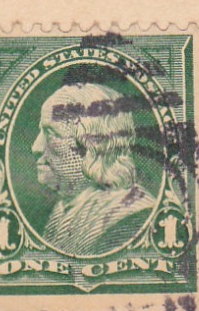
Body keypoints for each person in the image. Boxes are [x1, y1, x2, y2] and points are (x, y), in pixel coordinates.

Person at [32, 83, 155, 257]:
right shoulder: (62, 210)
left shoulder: (130, 219)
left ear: (94, 146)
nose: (36, 147)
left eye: (51, 133)